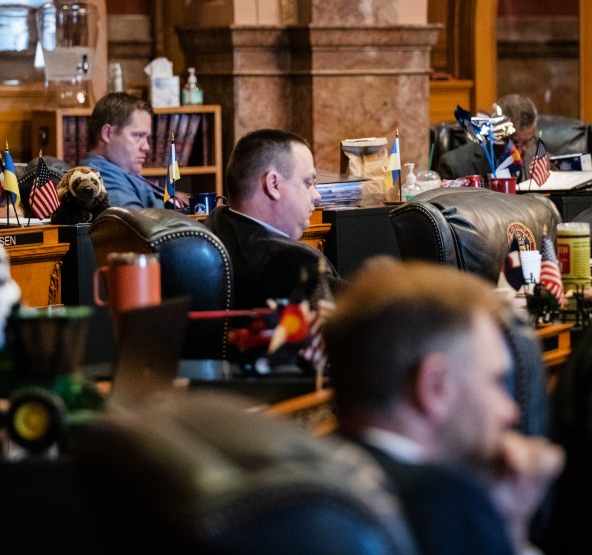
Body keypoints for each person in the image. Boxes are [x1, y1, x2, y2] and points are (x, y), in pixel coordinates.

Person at [324, 257, 564, 555]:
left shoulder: (310, 477)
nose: (509, 410)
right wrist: (513, 529)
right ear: (435, 387)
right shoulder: (445, 501)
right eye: (495, 382)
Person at [204, 129, 340, 311]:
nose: (317, 196)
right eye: (308, 183)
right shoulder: (293, 262)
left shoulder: (217, 221)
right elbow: (371, 320)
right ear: (273, 184)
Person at [80, 91, 166, 209]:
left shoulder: (118, 171)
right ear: (107, 134)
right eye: (138, 135)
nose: (146, 147)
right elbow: (135, 225)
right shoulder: (100, 178)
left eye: (146, 138)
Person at [438, 93, 539, 180]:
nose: (520, 151)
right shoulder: (454, 166)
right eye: (513, 142)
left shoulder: (541, 160)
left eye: (526, 143)